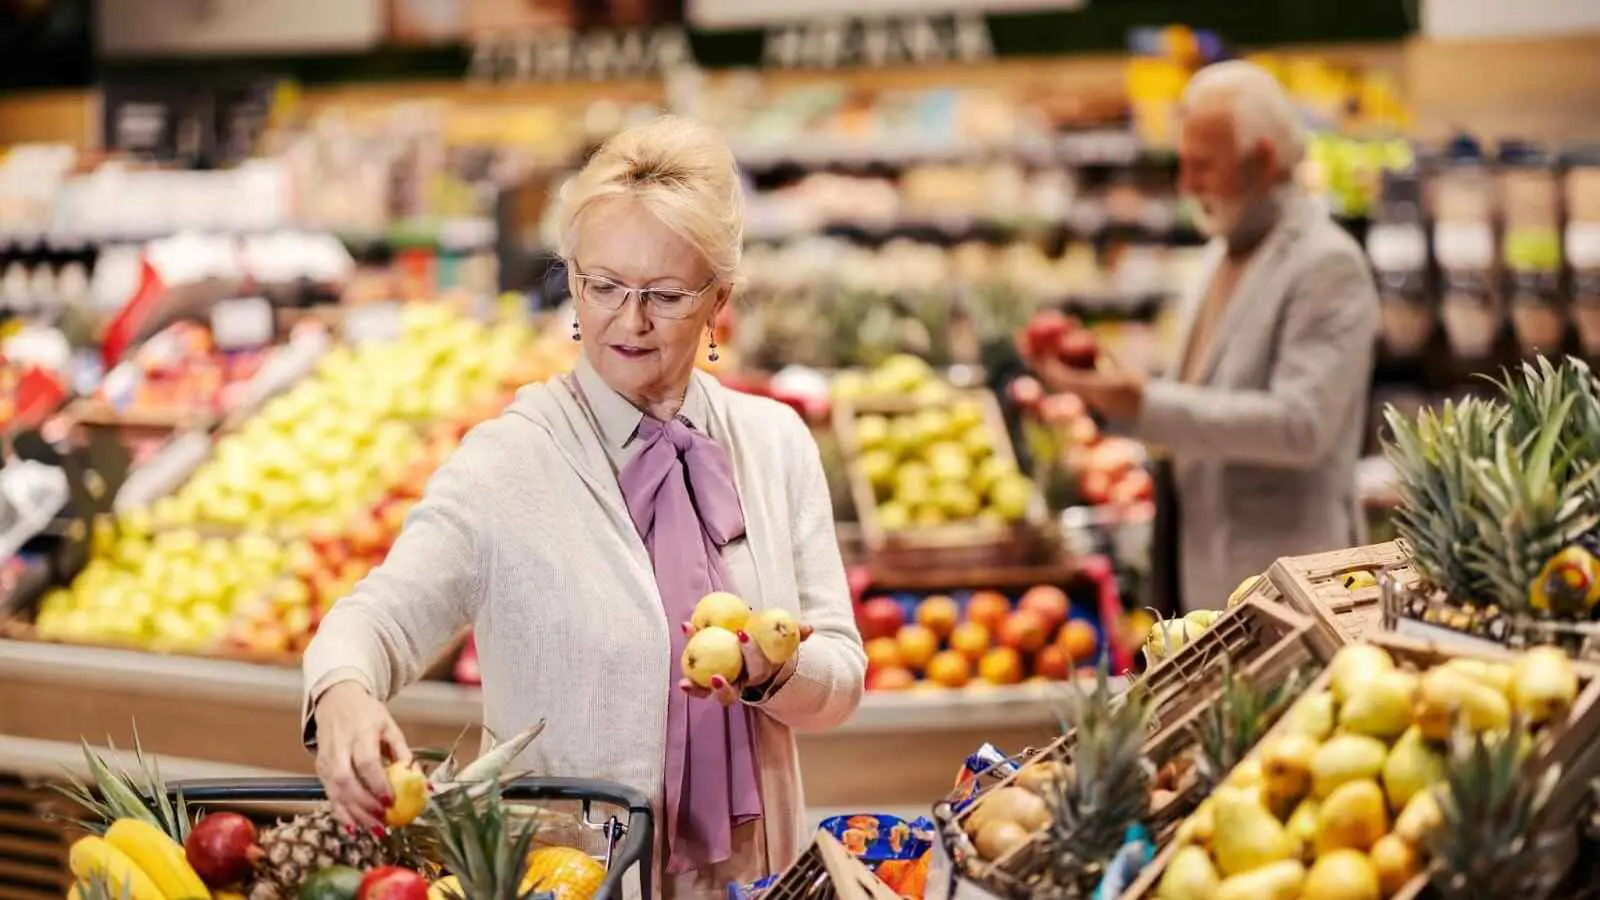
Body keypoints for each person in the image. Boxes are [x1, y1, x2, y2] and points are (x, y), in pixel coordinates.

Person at [301, 115, 867, 897]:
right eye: (603, 286)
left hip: (761, 876)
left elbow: (841, 678)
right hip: (573, 877)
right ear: (571, 282)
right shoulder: (509, 463)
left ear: (719, 300)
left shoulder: (773, 445)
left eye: (664, 295)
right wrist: (342, 697)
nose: (627, 322)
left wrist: (778, 672)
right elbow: (374, 621)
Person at [1020, 60, 1380, 611]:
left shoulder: (1327, 264)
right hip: (1207, 576)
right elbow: (1203, 395)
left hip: (1292, 592)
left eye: (1202, 166)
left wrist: (1146, 403)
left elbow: (1301, 426)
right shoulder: (1220, 252)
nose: (1186, 185)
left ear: (1261, 161)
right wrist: (1113, 389)